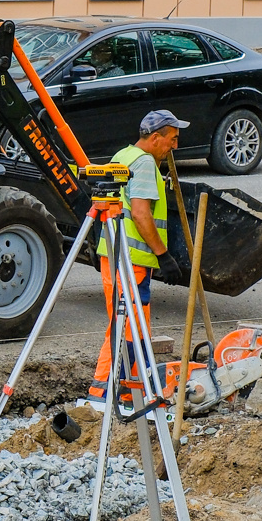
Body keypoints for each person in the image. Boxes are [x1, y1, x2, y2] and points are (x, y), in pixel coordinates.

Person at [86, 109, 189, 408]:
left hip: (117, 256)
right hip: (132, 261)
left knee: (127, 327)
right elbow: (142, 214)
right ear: (155, 138)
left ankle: (129, 393)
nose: (175, 146)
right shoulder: (143, 165)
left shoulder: (125, 155)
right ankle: (105, 394)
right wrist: (164, 255)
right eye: (172, 139)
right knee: (129, 329)